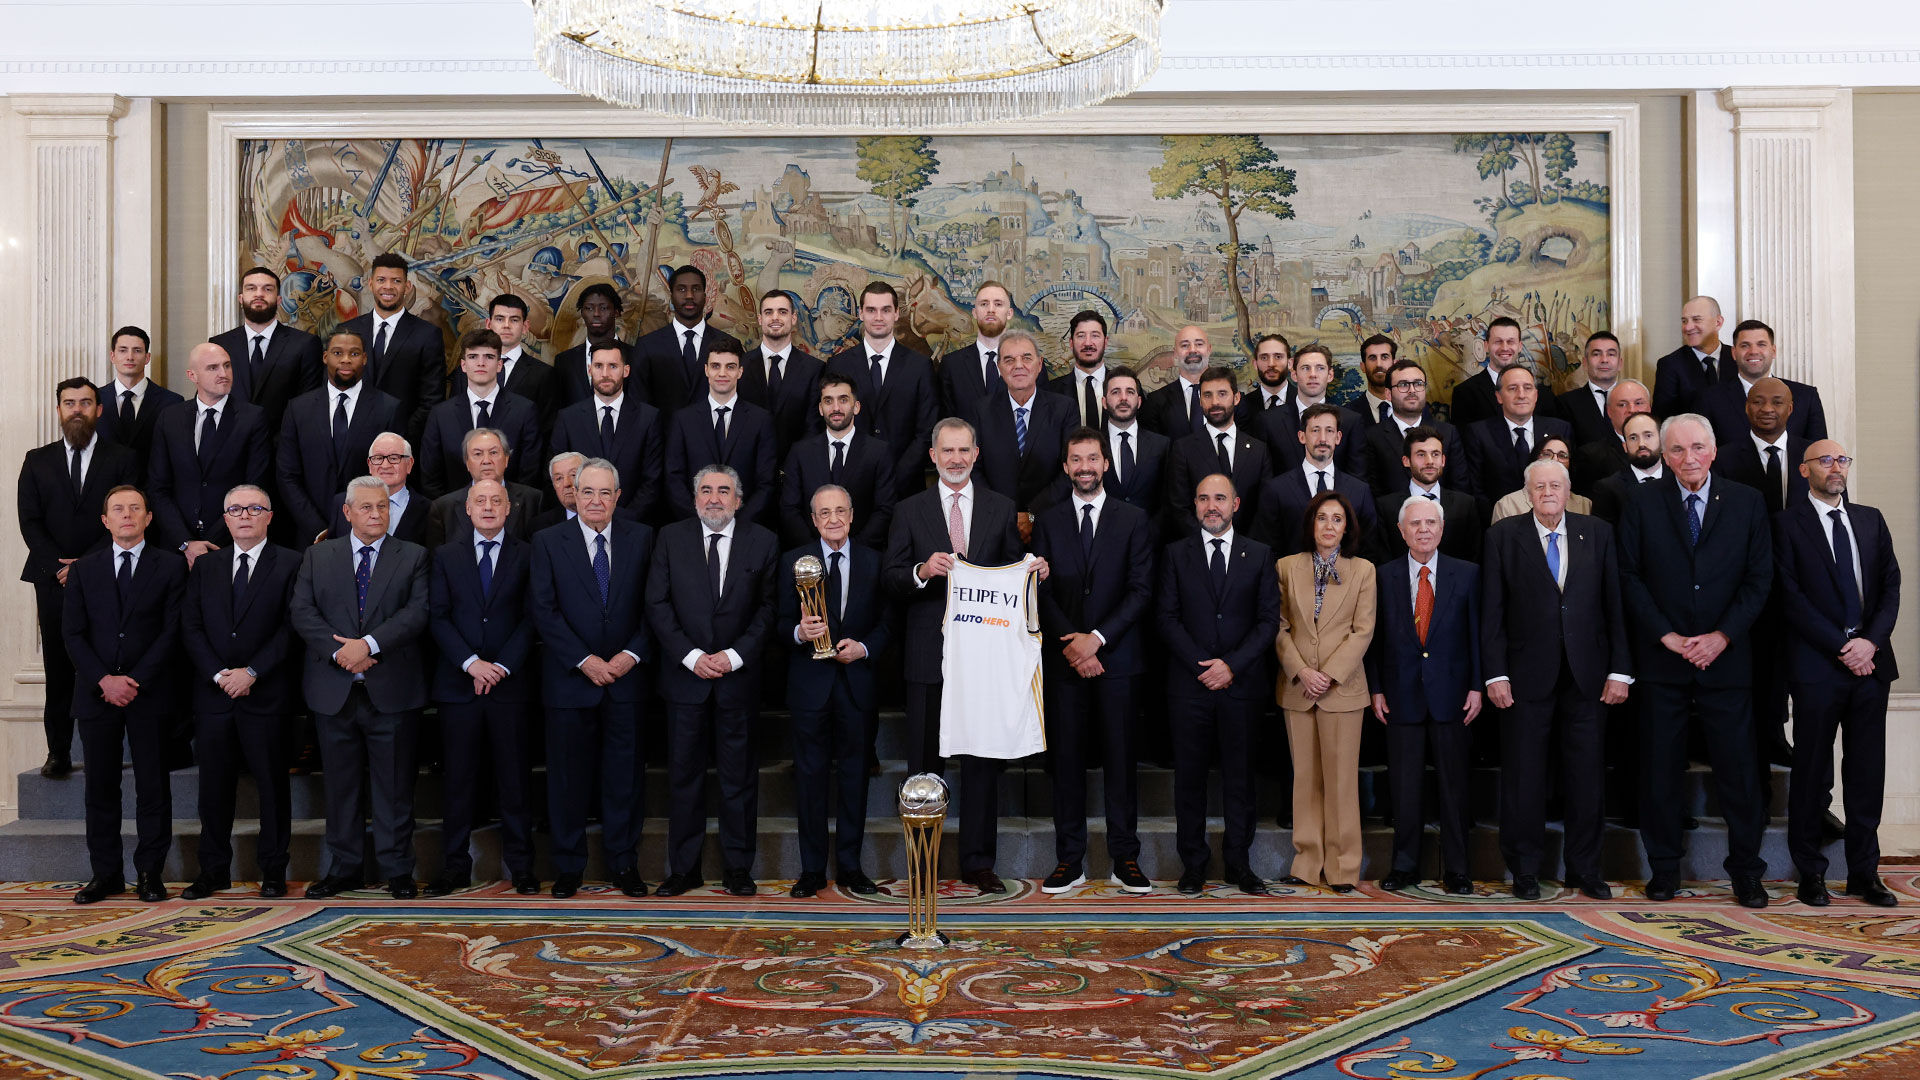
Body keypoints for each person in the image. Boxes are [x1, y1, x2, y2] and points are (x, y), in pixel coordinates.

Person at [1618, 414, 1773, 907]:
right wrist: (1666, 634)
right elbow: (1628, 576)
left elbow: (1758, 579)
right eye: (1678, 450)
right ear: (1665, 457)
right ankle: (1664, 869)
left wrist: (1722, 636)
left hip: (1725, 662)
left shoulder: (1747, 503)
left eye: (1698, 447)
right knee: (1660, 772)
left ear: (1713, 451)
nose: (1689, 458)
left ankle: (1747, 872)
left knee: (1740, 775)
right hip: (1663, 663)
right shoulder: (1641, 503)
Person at [883, 417, 1031, 893]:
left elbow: (1013, 575)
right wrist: (922, 571)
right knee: (924, 765)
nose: (955, 459)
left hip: (984, 660)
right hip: (928, 656)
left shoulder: (1001, 507)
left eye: (964, 450)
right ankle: (922, 862)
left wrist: (1033, 572)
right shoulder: (909, 510)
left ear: (976, 453)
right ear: (933, 456)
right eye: (947, 451)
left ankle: (978, 862)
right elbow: (889, 577)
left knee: (981, 764)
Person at [1481, 458, 1632, 900]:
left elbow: (1614, 606)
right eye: (1539, 486)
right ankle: (1524, 869)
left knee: (1586, 778)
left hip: (1588, 675)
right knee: (1524, 777)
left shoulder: (1598, 532)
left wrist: (1620, 670)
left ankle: (1585, 869)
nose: (1548, 492)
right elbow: (1492, 613)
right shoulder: (1502, 537)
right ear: (1527, 493)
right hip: (1524, 677)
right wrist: (1495, 674)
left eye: (1555, 485)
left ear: (1569, 492)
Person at [290, 476, 431, 900]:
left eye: (383, 507)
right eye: (366, 507)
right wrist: (342, 655)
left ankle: (397, 870)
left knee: (393, 787)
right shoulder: (318, 556)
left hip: (391, 689)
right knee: (340, 787)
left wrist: (368, 646)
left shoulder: (414, 556)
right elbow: (303, 611)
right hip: (334, 691)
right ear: (347, 512)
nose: (375, 514)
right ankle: (344, 868)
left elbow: (418, 612)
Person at [1775, 441, 1901, 907]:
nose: (1835, 467)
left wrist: (1870, 642)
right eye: (1825, 460)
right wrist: (1842, 646)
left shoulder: (1870, 519)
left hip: (1872, 666)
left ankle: (1864, 873)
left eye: (1842, 459)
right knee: (1812, 773)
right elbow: (1790, 596)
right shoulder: (1787, 524)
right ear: (1804, 469)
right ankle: (1810, 872)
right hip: (1816, 667)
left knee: (1867, 773)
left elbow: (1890, 585)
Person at [1031, 429, 1155, 894]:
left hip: (1117, 661)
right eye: (1076, 459)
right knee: (1066, 763)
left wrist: (1097, 640)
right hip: (1066, 663)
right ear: (1066, 467)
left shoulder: (1134, 519)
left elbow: (1141, 589)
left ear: (1106, 464)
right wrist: (1074, 645)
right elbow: (1038, 589)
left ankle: (1126, 858)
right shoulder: (1047, 519)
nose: (1085, 466)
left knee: (1122, 762)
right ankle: (1070, 860)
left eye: (1092, 458)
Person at [648, 465, 779, 896]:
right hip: (685, 680)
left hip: (737, 680)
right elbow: (658, 603)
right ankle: (683, 870)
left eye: (724, 491)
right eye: (705, 490)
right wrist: (691, 657)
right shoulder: (670, 537)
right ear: (694, 498)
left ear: (738, 500)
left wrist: (733, 656)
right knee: (684, 778)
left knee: (738, 779)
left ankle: (738, 868)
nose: (714, 498)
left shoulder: (763, 541)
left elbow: (768, 609)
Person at [528, 459, 655, 898]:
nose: (596, 501)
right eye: (587, 492)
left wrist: (629, 656)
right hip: (569, 681)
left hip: (627, 679)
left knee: (625, 780)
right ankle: (568, 868)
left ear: (618, 497)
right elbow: (542, 610)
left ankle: (625, 865)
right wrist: (584, 660)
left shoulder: (642, 537)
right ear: (573, 495)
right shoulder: (546, 541)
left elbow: (653, 606)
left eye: (605, 493)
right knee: (567, 781)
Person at [63, 485, 187, 903]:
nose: (127, 515)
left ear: (149, 517)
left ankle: (151, 872)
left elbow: (173, 631)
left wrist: (135, 679)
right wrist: (104, 679)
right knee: (100, 787)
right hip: (96, 694)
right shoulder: (84, 569)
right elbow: (73, 634)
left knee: (153, 787)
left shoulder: (171, 567)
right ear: (106, 520)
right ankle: (106, 875)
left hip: (149, 694)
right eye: (118, 509)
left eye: (136, 508)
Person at [1159, 474, 1280, 895]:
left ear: (1236, 503)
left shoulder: (1261, 555)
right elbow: (1167, 618)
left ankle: (1239, 864)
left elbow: (1268, 622)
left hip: (1241, 686)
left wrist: (1230, 666)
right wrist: (1203, 667)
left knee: (1241, 781)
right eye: (1204, 498)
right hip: (1189, 687)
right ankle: (1193, 865)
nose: (1213, 505)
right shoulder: (1175, 554)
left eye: (1220, 498)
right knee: (1188, 780)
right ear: (1194, 505)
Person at [179, 484, 299, 900]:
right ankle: (212, 871)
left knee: (271, 788)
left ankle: (273, 871)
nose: (244, 515)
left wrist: (251, 672)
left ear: (269, 515)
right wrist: (218, 675)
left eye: (254, 508)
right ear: (225, 518)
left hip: (265, 695)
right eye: (235, 509)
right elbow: (190, 626)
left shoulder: (291, 563)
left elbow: (291, 628)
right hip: (214, 697)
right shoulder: (207, 567)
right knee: (213, 790)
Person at [18, 377, 138, 778]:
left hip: (104, 575)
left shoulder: (121, 457)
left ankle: (101, 748)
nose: (77, 410)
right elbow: (30, 522)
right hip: (51, 578)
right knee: (58, 663)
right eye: (69, 403)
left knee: (104, 657)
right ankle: (58, 751)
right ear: (58, 410)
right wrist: (58, 565)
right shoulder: (37, 459)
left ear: (98, 410)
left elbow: (126, 520)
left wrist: (84, 566)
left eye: (85, 402)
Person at [426, 479, 538, 897]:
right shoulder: (445, 556)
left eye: (496, 501)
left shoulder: (528, 554)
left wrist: (502, 667)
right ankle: (455, 867)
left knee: (514, 780)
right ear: (466, 509)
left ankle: (521, 868)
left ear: (509, 508)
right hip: (460, 686)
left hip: (510, 686)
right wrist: (472, 664)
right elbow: (437, 616)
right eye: (480, 501)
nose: (488, 507)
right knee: (458, 782)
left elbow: (532, 617)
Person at [778, 485, 891, 898]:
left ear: (852, 515)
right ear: (812, 519)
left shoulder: (874, 562)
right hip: (810, 688)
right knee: (809, 780)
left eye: (840, 511)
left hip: (856, 687)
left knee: (855, 780)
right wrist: (798, 631)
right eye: (824, 512)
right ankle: (811, 871)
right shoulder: (792, 562)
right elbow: (776, 622)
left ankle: (850, 867)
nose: (833, 519)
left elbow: (887, 622)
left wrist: (864, 647)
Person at [1367, 497, 1479, 894]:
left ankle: (1458, 870)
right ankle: (1405, 866)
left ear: (1442, 528)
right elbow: (1374, 639)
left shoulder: (1467, 574)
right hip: (1400, 695)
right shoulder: (1383, 576)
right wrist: (1376, 687)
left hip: (1453, 696)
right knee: (1404, 787)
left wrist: (1477, 686)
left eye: (1431, 522)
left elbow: (1476, 636)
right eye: (1415, 524)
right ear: (1402, 531)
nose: (1424, 529)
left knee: (1455, 788)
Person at [1274, 491, 1377, 893]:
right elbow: (1279, 626)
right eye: (1322, 519)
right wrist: (1302, 670)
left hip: (1342, 689)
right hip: (1298, 687)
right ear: (1310, 524)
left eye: (1337, 519)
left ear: (1347, 527)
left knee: (1340, 780)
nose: (1329, 526)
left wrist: (1328, 674)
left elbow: (1362, 631)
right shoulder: (1286, 567)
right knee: (1305, 779)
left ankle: (1342, 867)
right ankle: (1306, 862)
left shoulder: (1363, 570)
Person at [147, 342, 271, 562]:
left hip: (230, 545)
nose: (223, 374)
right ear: (192, 375)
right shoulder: (170, 418)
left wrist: (211, 543)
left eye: (227, 366)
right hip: (175, 548)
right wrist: (185, 542)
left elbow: (255, 486)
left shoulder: (253, 418)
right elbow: (158, 489)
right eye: (213, 368)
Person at [276, 330, 402, 544]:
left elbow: (390, 475)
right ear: (325, 357)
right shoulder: (298, 408)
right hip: (310, 536)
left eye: (354, 354)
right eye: (337, 353)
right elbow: (287, 475)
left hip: (368, 534)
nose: (345, 360)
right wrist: (316, 528)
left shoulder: (388, 408)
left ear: (364, 358)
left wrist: (359, 523)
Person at [827, 281, 939, 498]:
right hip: (850, 486)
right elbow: (831, 423)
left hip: (906, 489)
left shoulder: (920, 366)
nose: (878, 317)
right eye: (871, 310)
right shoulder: (838, 365)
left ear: (897, 313)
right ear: (861, 313)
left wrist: (896, 475)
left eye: (886, 310)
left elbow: (927, 431)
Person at [962, 330, 1076, 516]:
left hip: (1051, 518)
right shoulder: (981, 411)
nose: (1018, 366)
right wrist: (1004, 513)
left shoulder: (1064, 409)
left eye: (1026, 358)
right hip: (996, 519)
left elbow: (1071, 467)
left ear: (1039, 365)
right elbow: (973, 468)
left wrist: (1032, 514)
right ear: (999, 367)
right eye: (1009, 360)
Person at [547, 342, 663, 522]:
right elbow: (558, 476)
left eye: (613, 366)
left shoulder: (648, 418)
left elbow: (652, 480)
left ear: (626, 370)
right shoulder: (568, 418)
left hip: (632, 525)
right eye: (598, 366)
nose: (605, 374)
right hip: (581, 522)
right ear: (589, 370)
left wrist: (624, 518)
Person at [779, 372, 895, 549]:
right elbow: (790, 509)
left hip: (863, 553)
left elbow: (884, 509)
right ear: (820, 408)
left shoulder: (878, 452)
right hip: (812, 553)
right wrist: (818, 549)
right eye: (828, 401)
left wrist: (853, 550)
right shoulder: (800, 452)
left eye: (843, 400)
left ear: (856, 407)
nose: (835, 408)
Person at [420, 328, 543, 496]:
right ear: (463, 365)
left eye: (489, 357)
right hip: (453, 514)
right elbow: (430, 476)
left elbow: (529, 473)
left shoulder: (525, 411)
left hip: (510, 511)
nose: (481, 363)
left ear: (499, 365)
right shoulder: (440, 415)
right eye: (473, 357)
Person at [338, 251, 446, 442]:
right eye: (381, 280)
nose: (388, 286)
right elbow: (333, 388)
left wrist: (399, 438)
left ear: (407, 286)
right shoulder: (346, 331)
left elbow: (432, 399)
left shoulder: (428, 335)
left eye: (396, 281)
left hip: (403, 445)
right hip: (349, 442)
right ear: (371, 284)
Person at [663, 345, 777, 524]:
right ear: (706, 370)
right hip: (694, 526)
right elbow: (673, 478)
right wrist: (699, 520)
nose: (722, 373)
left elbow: (766, 482)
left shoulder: (760, 420)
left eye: (730, 367)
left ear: (740, 372)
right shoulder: (683, 419)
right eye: (716, 366)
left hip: (745, 527)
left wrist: (737, 523)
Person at [211, 266, 324, 438]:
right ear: (240, 298)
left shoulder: (305, 345)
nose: (259, 294)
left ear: (279, 299)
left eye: (267, 289)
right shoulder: (219, 344)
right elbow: (209, 399)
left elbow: (309, 406)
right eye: (251, 288)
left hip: (283, 449)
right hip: (229, 448)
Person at [1253, 403, 1376, 557]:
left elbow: (1369, 548)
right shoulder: (1276, 489)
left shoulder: (1360, 491)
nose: (1322, 439)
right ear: (1302, 436)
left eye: (1329, 431)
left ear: (1338, 437)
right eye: (1315, 430)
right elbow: (1266, 547)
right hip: (1291, 579)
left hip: (1346, 579)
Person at [1167, 365, 1272, 536]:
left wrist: (1242, 546)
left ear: (1236, 397)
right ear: (1200, 400)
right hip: (1201, 551)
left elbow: (1266, 507)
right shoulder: (1183, 449)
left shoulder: (1259, 450)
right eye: (1208, 395)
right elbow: (1179, 508)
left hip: (1249, 551)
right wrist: (1211, 542)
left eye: (1222, 394)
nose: (1215, 402)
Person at [1701, 319, 1828, 446]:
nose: (1754, 351)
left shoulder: (1806, 397)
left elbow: (1819, 455)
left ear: (1773, 351)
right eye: (1745, 345)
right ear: (1734, 353)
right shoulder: (1710, 399)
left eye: (1761, 344)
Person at [639, 264, 747, 413]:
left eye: (696, 289)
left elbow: (741, 401)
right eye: (681, 289)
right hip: (664, 435)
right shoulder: (648, 346)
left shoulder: (731, 345)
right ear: (671, 296)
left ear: (705, 295)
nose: (689, 295)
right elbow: (640, 407)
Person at [1462, 362, 1573, 500]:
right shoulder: (1478, 433)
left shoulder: (1560, 429)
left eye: (1527, 388)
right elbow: (1476, 488)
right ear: (1499, 396)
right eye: (1513, 388)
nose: (1521, 395)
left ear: (1536, 395)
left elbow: (1570, 480)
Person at [1374, 426, 1483, 564]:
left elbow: (1474, 557)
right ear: (1406, 461)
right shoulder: (1386, 507)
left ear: (1443, 460)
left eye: (1435, 454)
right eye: (1421, 454)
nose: (1430, 461)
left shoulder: (1465, 505)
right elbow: (1384, 560)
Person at [1357, 358, 1466, 496]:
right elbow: (1371, 491)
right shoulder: (1372, 437)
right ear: (1388, 394)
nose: (1412, 390)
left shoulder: (1448, 433)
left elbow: (1459, 487)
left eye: (1418, 384)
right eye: (1403, 385)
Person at [738, 289, 823, 464]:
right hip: (747, 469)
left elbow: (814, 427)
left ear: (793, 318)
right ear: (760, 319)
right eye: (768, 312)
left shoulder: (814, 369)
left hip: (794, 471)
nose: (775, 318)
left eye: (782, 312)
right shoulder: (740, 366)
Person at [424, 428, 545, 547]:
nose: (486, 461)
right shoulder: (443, 508)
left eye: (493, 453)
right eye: (478, 454)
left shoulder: (534, 500)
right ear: (467, 462)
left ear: (506, 459)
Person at [93, 325, 184, 478]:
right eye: (123, 350)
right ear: (112, 356)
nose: (130, 357)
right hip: (103, 493)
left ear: (147, 357)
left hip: (151, 493)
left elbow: (175, 455)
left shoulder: (171, 402)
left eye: (137, 350)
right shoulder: (94, 399)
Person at [457, 293, 557, 431]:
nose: (506, 325)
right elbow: (455, 417)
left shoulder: (543, 374)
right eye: (499, 319)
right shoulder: (467, 369)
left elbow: (546, 429)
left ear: (525, 327)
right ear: (488, 324)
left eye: (514, 320)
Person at [1711, 376, 1810, 515]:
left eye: (1777, 402)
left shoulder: (1812, 455)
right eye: (1758, 402)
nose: (1767, 409)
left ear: (1790, 408)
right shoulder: (1722, 459)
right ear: (1746, 407)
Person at [1260, 345, 1363, 473]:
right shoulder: (1269, 421)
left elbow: (1357, 478)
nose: (1313, 375)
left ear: (1330, 375)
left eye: (1320, 368)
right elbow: (1265, 476)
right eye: (1305, 368)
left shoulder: (1350, 421)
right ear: (1294, 375)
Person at [1450, 317, 1562, 429]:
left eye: (1510, 342)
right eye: (1498, 342)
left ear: (1520, 346)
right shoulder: (1465, 393)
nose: (1504, 348)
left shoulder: (1543, 393)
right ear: (1486, 346)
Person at [329, 433, 428, 544]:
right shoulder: (342, 502)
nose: (385, 465)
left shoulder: (429, 510)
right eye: (378, 458)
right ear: (370, 465)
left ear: (409, 464)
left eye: (394, 458)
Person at [936, 280, 1015, 418]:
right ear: (975, 312)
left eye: (998, 304)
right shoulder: (951, 365)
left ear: (1009, 313)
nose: (991, 309)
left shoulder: (1030, 364)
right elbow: (945, 422)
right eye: (984, 304)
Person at [1652, 296, 1738, 420]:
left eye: (1696, 320)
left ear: (1718, 322)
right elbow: (1663, 419)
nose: (1688, 327)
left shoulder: (1737, 358)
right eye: (1684, 321)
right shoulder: (1669, 365)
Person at [555, 283, 640, 407]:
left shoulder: (637, 357)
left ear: (616, 312)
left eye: (604, 308)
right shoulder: (564, 361)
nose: (596, 314)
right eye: (589, 308)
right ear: (582, 313)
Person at [1100, 366, 1167, 518]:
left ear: (1139, 401)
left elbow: (1167, 500)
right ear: (1104, 402)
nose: (1123, 398)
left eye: (1130, 392)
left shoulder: (1161, 446)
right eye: (1115, 392)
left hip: (1150, 538)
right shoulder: (1093, 445)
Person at [1571, 379, 1654, 494]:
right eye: (1622, 405)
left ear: (1649, 408)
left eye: (1639, 403)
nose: (1632, 410)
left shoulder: (1668, 449)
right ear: (1609, 411)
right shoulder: (1590, 456)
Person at [1489, 435, 1593, 522]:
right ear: (1535, 458)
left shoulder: (1584, 504)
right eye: (1547, 454)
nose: (1555, 459)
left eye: (1563, 455)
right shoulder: (1508, 504)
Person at [1588, 411, 1665, 526]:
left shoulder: (1680, 480)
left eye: (1648, 435)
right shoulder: (1608, 489)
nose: (1641, 444)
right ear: (1625, 446)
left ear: (1662, 440)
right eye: (1633, 438)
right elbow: (1604, 538)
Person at [1141, 325, 1213, 439]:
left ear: (1209, 349)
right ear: (1175, 353)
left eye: (1199, 344)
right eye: (1185, 345)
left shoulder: (1231, 398)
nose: (1192, 350)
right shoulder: (1155, 401)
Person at [1557, 331, 1627, 447]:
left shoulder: (1635, 401)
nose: (1604, 360)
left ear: (1620, 363)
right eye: (1596, 354)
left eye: (1611, 354)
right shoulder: (1566, 403)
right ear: (1585, 363)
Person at [1045, 309, 1111, 428]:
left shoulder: (1127, 388)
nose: (1088, 343)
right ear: (1071, 343)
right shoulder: (1051, 391)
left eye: (1095, 335)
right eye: (1081, 336)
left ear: (1106, 342)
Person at [1236, 333, 1296, 427]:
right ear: (1255, 364)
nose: (1271, 364)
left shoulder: (1305, 402)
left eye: (1278, 357)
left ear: (1290, 363)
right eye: (1264, 357)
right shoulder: (1243, 406)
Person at [1346, 334, 1399, 425]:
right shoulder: (1347, 414)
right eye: (1372, 358)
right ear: (1363, 367)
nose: (1379, 364)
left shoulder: (1416, 408)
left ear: (1395, 364)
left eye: (1385, 357)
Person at [531, 450, 586, 532]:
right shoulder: (540, 527)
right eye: (559, 478)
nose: (566, 483)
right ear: (553, 485)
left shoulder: (608, 517)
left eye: (573, 475)